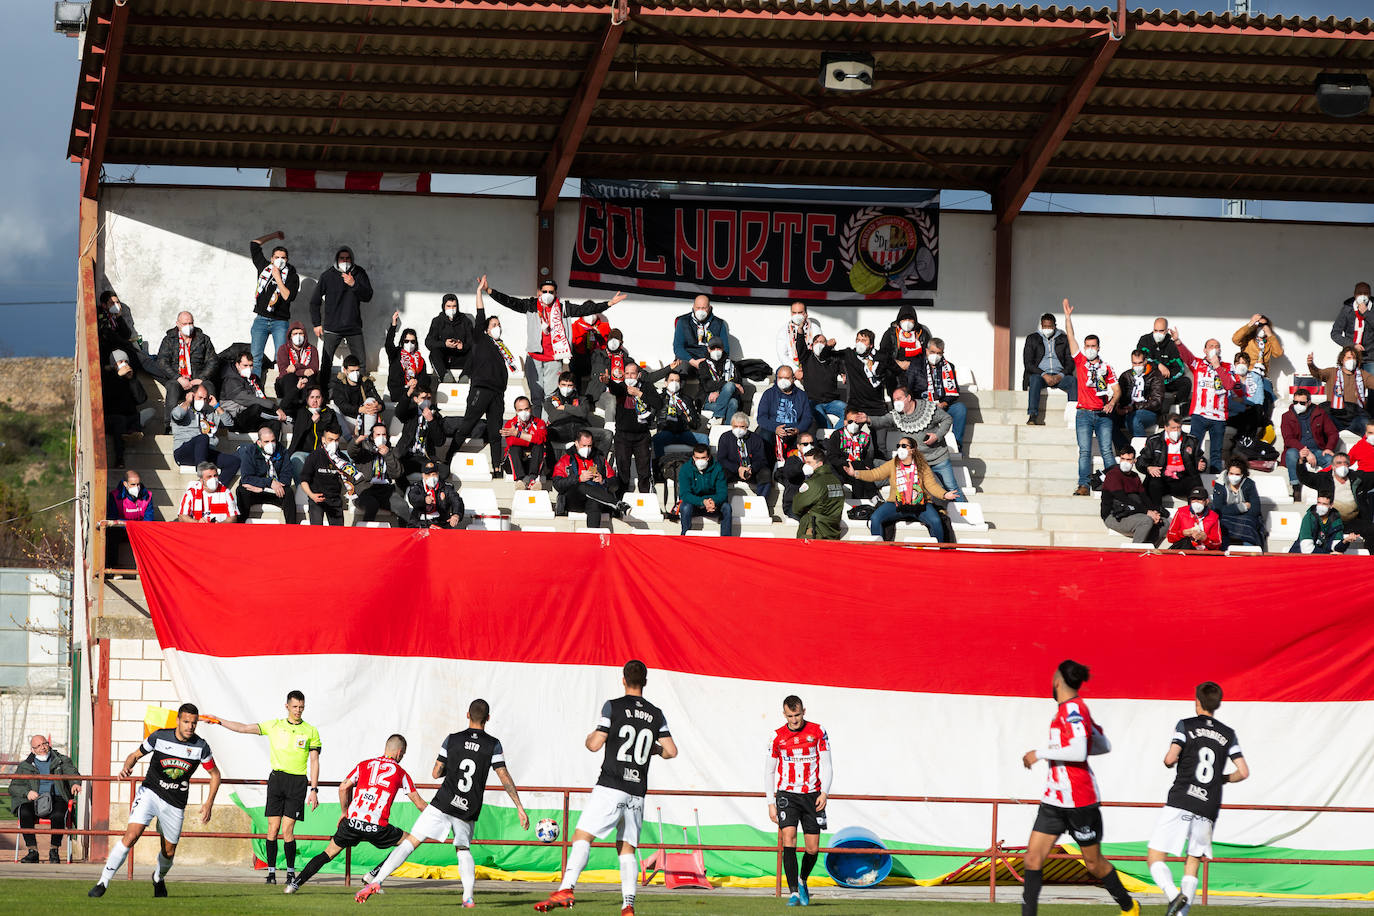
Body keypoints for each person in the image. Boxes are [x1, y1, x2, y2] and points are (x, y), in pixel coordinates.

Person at [533, 660, 677, 914]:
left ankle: (566, 888)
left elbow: (595, 744)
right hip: (637, 793)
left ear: (623, 680)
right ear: (645, 682)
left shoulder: (614, 706)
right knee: (627, 849)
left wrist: (590, 737)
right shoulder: (656, 713)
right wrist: (653, 750)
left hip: (611, 786)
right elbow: (671, 751)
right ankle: (628, 905)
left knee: (582, 836)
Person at [358, 700, 529, 907]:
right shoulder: (493, 744)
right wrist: (519, 807)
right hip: (468, 806)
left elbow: (436, 772)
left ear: (468, 715)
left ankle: (377, 881)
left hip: (444, 802)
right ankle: (468, 897)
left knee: (411, 841)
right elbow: (503, 775)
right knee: (463, 850)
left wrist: (452, 768)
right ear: (488, 718)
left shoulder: (452, 739)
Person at [1019, 661, 1138, 916]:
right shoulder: (1070, 710)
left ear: (1057, 682)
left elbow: (1079, 751)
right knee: (1032, 858)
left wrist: (1039, 753)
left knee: (1094, 864)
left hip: (1080, 801)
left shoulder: (1073, 709)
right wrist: (1084, 736)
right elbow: (1102, 745)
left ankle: (1129, 907)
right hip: (1054, 800)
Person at [89, 703, 220, 899]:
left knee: (169, 851)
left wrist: (209, 802)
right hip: (150, 792)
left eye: (193, 723)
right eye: (186, 722)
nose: (190, 727)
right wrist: (126, 767)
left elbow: (215, 775)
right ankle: (103, 882)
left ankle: (158, 877)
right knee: (131, 836)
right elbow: (135, 755)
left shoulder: (200, 746)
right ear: (178, 720)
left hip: (175, 802)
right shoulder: (159, 736)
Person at [1146, 682, 1250, 916]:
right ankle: (1180, 914)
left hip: (1182, 798)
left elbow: (1170, 758)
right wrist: (1222, 779)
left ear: (1197, 702)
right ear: (1217, 704)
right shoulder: (1228, 733)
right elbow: (1243, 772)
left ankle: (1173, 895)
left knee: (1155, 856)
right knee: (1193, 861)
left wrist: (1170, 760)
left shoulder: (1185, 725)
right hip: (1209, 804)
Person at [286, 734, 427, 895]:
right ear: (400, 752)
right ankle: (373, 875)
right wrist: (442, 816)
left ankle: (294, 885)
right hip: (376, 826)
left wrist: (344, 812)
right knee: (409, 842)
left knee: (327, 853)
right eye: (403, 754)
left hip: (352, 822)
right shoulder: (401, 773)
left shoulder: (364, 764)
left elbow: (343, 787)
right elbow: (420, 804)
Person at [210, 691, 322, 886]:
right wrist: (219, 721)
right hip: (277, 779)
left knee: (288, 830)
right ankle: (271, 873)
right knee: (273, 828)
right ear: (287, 706)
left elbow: (314, 761)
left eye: (301, 707)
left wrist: (314, 789)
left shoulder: (310, 731)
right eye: (295, 707)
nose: (298, 710)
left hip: (297, 782)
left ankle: (290, 873)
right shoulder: (274, 725)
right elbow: (244, 728)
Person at [481, 274, 626, 418]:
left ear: (556, 293)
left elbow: (585, 309)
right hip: (534, 358)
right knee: (536, 397)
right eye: (544, 291)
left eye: (551, 292)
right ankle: (537, 425)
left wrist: (609, 303)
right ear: (539, 292)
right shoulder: (531, 305)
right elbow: (510, 302)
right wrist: (489, 291)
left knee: (550, 397)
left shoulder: (564, 308)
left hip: (554, 359)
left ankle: (545, 427)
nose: (547, 294)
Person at [766, 696, 832, 906]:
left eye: (797, 715)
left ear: (804, 711)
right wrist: (770, 803)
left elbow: (828, 765)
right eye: (790, 716)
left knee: (812, 848)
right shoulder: (777, 736)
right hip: (787, 795)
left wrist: (825, 793)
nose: (794, 720)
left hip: (812, 795)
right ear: (784, 714)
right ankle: (793, 892)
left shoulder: (818, 731)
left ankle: (803, 879)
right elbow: (769, 771)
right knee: (789, 838)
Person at [442, 293, 513, 471]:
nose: (497, 327)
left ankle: (496, 466)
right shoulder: (480, 339)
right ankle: (447, 459)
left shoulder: (501, 347)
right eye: (494, 325)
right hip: (481, 389)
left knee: (495, 431)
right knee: (467, 425)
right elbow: (480, 315)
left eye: (499, 325)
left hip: (497, 393)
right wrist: (480, 292)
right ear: (486, 330)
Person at [844, 436, 959, 541]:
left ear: (912, 450)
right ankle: (879, 549)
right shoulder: (893, 463)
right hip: (896, 504)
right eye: (898, 446)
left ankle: (940, 549)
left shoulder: (922, 466)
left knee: (936, 521)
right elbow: (875, 474)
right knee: (875, 518)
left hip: (920, 504)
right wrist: (855, 473)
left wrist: (944, 494)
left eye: (904, 446)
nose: (900, 448)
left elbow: (931, 485)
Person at [864, 386, 962, 498]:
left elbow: (947, 418)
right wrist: (867, 419)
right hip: (917, 462)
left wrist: (937, 436)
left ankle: (963, 509)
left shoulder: (928, 408)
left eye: (899, 398)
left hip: (938, 458)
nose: (896, 402)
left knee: (952, 488)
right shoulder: (896, 415)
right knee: (919, 492)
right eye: (894, 400)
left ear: (908, 398)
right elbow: (881, 421)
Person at [1063, 300, 1119, 495]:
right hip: (1084, 413)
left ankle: (1115, 485)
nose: (1089, 349)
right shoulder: (1080, 361)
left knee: (1107, 451)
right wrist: (1068, 318)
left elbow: (1117, 390)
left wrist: (1112, 402)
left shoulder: (1107, 367)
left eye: (1093, 346)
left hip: (1103, 414)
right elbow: (1071, 337)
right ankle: (1083, 485)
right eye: (1087, 346)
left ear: (1098, 347)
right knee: (1085, 451)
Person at [1170, 328, 1240, 474]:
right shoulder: (1198, 364)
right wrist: (1177, 341)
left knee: (1216, 452)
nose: (1214, 348)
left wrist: (1217, 366)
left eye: (1217, 346)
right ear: (1205, 350)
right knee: (1193, 449)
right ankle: (1192, 477)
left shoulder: (1228, 367)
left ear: (1220, 350)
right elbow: (1187, 357)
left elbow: (1229, 385)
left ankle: (1215, 481)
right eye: (1211, 346)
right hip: (1199, 415)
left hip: (1218, 417)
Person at [9, 734, 80, 864]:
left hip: (57, 798)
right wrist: (27, 792)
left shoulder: (61, 760)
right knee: (24, 811)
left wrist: (75, 783)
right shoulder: (25, 766)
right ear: (32, 750)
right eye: (38, 746)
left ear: (48, 744)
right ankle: (32, 851)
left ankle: (54, 850)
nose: (42, 747)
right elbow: (13, 787)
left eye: (44, 744)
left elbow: (72, 772)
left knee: (59, 815)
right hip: (35, 800)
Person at [309, 245, 374, 379]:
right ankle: (324, 389)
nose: (345, 261)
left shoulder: (359, 273)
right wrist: (316, 324)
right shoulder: (327, 276)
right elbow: (314, 301)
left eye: (347, 258)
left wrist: (354, 284)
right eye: (342, 258)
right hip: (332, 327)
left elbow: (368, 296)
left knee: (361, 363)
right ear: (336, 259)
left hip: (353, 327)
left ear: (352, 259)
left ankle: (361, 389)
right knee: (326, 362)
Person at [248, 230, 300, 379]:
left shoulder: (292, 275)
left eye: (283, 258)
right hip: (261, 319)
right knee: (255, 358)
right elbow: (254, 244)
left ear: (287, 260)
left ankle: (281, 387)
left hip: (280, 322)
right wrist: (274, 236)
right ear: (271, 258)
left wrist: (278, 278)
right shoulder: (264, 268)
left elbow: (287, 296)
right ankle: (255, 386)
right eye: (277, 257)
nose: (280, 260)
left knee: (281, 359)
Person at [156, 311, 219, 429]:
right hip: (177, 378)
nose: (188, 326)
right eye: (185, 324)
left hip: (198, 378)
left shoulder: (203, 339)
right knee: (172, 387)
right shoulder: (169, 340)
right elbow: (162, 361)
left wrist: (201, 378)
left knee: (208, 386)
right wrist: (178, 378)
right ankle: (169, 425)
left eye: (190, 323)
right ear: (178, 324)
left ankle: (209, 423)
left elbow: (213, 361)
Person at [551, 430, 627, 529]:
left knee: (594, 503)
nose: (587, 449)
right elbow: (557, 484)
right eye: (584, 446)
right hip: (574, 499)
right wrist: (578, 478)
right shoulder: (566, 459)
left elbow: (615, 484)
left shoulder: (599, 459)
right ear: (576, 443)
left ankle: (593, 534)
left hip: (596, 499)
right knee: (581, 485)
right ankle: (616, 503)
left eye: (589, 446)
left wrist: (603, 481)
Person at [1296, 449, 1374, 544]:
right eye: (1339, 463)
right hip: (1330, 521)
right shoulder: (1323, 478)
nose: (1342, 466)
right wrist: (1301, 460)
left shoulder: (1358, 478)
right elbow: (1304, 477)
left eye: (1345, 463)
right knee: (1312, 529)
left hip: (1354, 520)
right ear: (1332, 466)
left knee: (1371, 530)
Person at [608, 361, 663, 495]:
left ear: (638, 375)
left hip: (641, 436)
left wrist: (639, 394)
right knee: (622, 469)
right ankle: (621, 498)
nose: (629, 376)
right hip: (623, 435)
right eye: (627, 373)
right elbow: (614, 389)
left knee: (644, 470)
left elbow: (659, 404)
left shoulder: (647, 386)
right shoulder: (622, 387)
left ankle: (645, 495)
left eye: (632, 373)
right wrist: (607, 382)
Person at [1139, 415, 1207, 512]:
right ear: (1166, 427)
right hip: (1162, 477)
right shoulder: (1154, 440)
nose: (1176, 430)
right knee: (1153, 483)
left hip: (1183, 478)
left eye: (1179, 427)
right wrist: (1149, 468)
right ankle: (1156, 512)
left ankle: (1194, 514)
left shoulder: (1191, 440)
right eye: (1173, 428)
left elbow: (1199, 458)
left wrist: (1201, 464)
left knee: (1196, 484)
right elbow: (1141, 460)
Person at [170, 385, 239, 479]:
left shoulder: (209, 414)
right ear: (192, 396)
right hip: (184, 451)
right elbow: (177, 415)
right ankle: (203, 477)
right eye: (200, 397)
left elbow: (229, 423)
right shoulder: (183, 409)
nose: (202, 401)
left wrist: (216, 406)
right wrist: (188, 401)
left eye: (205, 398)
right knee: (203, 437)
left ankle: (218, 486)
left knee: (234, 461)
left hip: (205, 452)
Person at [1100, 445, 1164, 545]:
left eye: (1129, 459)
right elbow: (1122, 498)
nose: (1125, 462)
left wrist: (1155, 512)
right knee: (1146, 520)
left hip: (1132, 512)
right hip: (1114, 515)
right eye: (1123, 459)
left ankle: (1147, 548)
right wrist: (1147, 512)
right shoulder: (1113, 475)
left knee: (1164, 523)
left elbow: (1144, 497)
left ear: (1134, 461)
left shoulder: (1135, 476)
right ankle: (1134, 550)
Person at [913, 337, 967, 453]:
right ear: (927, 351)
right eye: (932, 352)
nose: (935, 355)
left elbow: (955, 391)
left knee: (960, 408)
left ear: (943, 353)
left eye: (939, 353)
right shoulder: (916, 365)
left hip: (942, 406)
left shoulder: (949, 367)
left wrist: (944, 403)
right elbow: (910, 388)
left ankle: (957, 444)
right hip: (923, 406)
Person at [221, 350, 290, 440]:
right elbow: (248, 399)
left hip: (254, 418)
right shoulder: (231, 380)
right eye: (245, 365)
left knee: (274, 423)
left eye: (251, 365)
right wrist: (274, 407)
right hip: (236, 419)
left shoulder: (254, 379)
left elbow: (261, 397)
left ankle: (272, 447)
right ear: (237, 365)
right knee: (256, 407)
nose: (248, 368)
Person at [1281, 390, 1337, 500]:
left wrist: (1329, 448)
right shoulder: (1287, 416)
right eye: (1295, 402)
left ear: (1309, 402)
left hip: (1318, 449)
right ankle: (1296, 487)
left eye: (1302, 403)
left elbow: (1333, 433)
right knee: (1291, 454)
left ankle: (1326, 489)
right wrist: (1305, 451)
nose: (1298, 405)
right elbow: (1288, 439)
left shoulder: (1320, 413)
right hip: (1297, 450)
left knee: (1330, 459)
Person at [235, 426, 297, 524]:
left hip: (275, 491)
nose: (271, 444)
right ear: (259, 442)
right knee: (242, 491)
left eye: (273, 441)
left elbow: (287, 477)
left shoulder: (282, 451)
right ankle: (240, 525)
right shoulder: (249, 451)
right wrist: (269, 483)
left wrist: (271, 485)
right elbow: (246, 478)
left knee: (288, 492)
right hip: (256, 490)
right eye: (266, 441)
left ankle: (292, 527)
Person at [1306, 347, 1374, 436]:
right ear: (1342, 360)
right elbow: (1318, 373)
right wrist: (1311, 364)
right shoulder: (1332, 372)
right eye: (1349, 358)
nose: (1352, 360)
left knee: (1369, 428)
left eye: (1354, 358)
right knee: (1320, 424)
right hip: (1334, 414)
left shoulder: (1362, 375)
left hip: (1354, 415)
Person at [300, 428, 361, 525]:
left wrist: (346, 475)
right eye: (330, 440)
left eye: (336, 440)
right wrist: (312, 495)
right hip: (317, 498)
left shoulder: (342, 459)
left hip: (334, 499)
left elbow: (350, 481)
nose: (334, 443)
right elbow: (304, 480)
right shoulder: (314, 456)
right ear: (323, 439)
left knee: (338, 532)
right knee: (316, 530)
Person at [1023, 311, 1076, 425]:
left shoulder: (1064, 339)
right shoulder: (1032, 339)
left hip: (1059, 375)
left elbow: (1071, 362)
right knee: (1034, 379)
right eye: (1045, 326)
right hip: (1041, 376)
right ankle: (1032, 415)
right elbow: (1028, 364)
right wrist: (1044, 375)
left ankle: (1073, 416)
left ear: (1054, 326)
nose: (1047, 329)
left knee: (1073, 381)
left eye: (1050, 326)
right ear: (1041, 326)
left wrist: (1060, 375)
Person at [351, 424, 409, 525]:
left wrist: (388, 455)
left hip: (385, 490)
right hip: (365, 489)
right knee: (372, 505)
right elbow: (352, 452)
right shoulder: (364, 449)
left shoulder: (392, 451)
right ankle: (364, 532)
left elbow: (397, 474)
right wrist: (356, 442)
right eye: (378, 434)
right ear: (372, 436)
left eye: (384, 434)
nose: (381, 437)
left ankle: (404, 533)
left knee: (402, 506)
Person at [756, 366, 814, 466]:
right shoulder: (768, 394)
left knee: (807, 439)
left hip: (794, 430)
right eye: (780, 378)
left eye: (786, 378)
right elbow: (761, 417)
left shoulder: (802, 395)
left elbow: (807, 417)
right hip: (773, 430)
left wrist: (798, 429)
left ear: (793, 378)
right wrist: (775, 428)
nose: (783, 381)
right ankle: (767, 466)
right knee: (764, 436)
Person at [545, 371, 612, 453]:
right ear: (559, 385)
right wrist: (575, 410)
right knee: (541, 434)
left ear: (574, 386)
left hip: (580, 429)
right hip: (560, 429)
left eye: (569, 385)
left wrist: (565, 407)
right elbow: (554, 416)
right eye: (563, 384)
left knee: (607, 434)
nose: (566, 388)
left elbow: (583, 413)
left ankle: (599, 459)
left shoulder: (582, 399)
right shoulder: (550, 400)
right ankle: (549, 461)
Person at [1137, 317, 1190, 418]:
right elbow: (1140, 358)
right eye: (1155, 330)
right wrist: (1158, 365)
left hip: (1166, 380)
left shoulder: (1171, 344)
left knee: (1186, 382)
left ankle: (1178, 412)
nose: (1158, 333)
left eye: (1161, 331)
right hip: (1150, 379)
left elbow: (1179, 367)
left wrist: (1166, 378)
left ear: (1166, 331)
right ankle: (1152, 414)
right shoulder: (1145, 340)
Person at [102, 349, 147, 467]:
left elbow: (141, 399)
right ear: (114, 364)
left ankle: (133, 433)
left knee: (137, 415)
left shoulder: (130, 378)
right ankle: (120, 459)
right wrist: (118, 376)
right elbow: (107, 397)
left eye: (126, 361)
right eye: (120, 362)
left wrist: (132, 380)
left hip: (127, 416)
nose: (124, 364)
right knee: (119, 421)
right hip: (111, 417)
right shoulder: (107, 377)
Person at [287, 387, 343, 479]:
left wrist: (319, 422)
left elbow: (337, 431)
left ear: (322, 399)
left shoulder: (329, 412)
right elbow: (285, 405)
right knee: (296, 458)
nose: (315, 400)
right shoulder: (300, 412)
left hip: (323, 452)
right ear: (307, 399)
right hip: (304, 452)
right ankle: (301, 486)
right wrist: (297, 388)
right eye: (312, 397)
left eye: (318, 397)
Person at [1112, 350, 1164, 448]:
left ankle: (1143, 450)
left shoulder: (1155, 376)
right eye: (1134, 363)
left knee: (1134, 418)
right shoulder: (1126, 376)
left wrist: (1135, 407)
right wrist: (1117, 407)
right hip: (1127, 410)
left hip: (1149, 412)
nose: (1137, 366)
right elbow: (1118, 394)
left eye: (1140, 363)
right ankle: (1125, 448)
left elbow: (1157, 402)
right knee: (1106, 420)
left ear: (1145, 361)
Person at [677, 443, 733, 536]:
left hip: (713, 505)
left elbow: (722, 493)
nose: (700, 460)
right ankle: (685, 536)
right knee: (685, 507)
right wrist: (702, 502)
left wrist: (712, 502)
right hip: (694, 505)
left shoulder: (717, 468)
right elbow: (685, 494)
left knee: (726, 507)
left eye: (703, 458)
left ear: (708, 457)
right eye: (697, 458)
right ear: (693, 457)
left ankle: (726, 539)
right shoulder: (685, 469)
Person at [652, 369, 708, 460]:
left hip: (683, 432)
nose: (674, 383)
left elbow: (696, 422)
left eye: (677, 381)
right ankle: (660, 464)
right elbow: (650, 418)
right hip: (666, 432)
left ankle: (699, 464)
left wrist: (690, 422)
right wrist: (660, 424)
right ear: (665, 383)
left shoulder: (687, 399)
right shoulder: (659, 398)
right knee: (657, 438)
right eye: (671, 380)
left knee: (704, 438)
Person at [499, 396, 553, 489]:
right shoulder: (510, 424)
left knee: (539, 446)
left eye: (526, 409)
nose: (524, 412)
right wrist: (531, 438)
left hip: (534, 462)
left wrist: (518, 434)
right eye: (520, 410)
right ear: (516, 411)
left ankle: (533, 480)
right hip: (514, 463)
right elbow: (512, 442)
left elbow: (541, 439)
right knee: (514, 448)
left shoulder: (539, 423)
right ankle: (519, 481)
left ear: (531, 408)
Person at [876, 303, 931, 393]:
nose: (907, 322)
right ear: (899, 320)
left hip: (915, 369)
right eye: (904, 319)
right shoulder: (891, 333)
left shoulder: (922, 334)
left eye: (910, 319)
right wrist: (896, 363)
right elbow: (883, 353)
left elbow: (927, 354)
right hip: (894, 369)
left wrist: (911, 364)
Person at [835, 330, 890, 418]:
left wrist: (874, 368)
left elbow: (888, 372)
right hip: (856, 406)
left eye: (864, 340)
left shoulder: (880, 357)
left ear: (871, 344)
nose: (860, 343)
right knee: (848, 423)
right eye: (858, 340)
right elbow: (830, 357)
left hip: (876, 405)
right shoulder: (850, 354)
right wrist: (842, 371)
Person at [1211, 458, 1263, 549]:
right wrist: (1241, 507)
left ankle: (1249, 551)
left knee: (1249, 524)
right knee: (1221, 525)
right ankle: (1223, 550)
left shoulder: (1249, 484)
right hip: (1225, 518)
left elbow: (1255, 509)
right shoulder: (1220, 485)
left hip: (1245, 519)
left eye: (1237, 474)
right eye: (1231, 473)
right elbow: (1218, 508)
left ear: (1243, 475)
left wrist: (1229, 510)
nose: (1233, 476)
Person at [793, 449, 845, 539]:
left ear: (820, 464)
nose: (806, 465)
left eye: (809, 462)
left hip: (815, 531)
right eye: (805, 462)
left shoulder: (813, 483)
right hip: (833, 530)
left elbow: (796, 507)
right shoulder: (836, 481)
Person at [331, 354, 385, 442]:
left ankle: (366, 439)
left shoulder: (366, 382)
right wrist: (360, 409)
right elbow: (341, 404)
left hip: (364, 420)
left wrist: (378, 406)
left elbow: (379, 401)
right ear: (345, 370)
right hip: (347, 420)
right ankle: (350, 440)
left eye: (357, 370)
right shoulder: (339, 384)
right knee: (334, 408)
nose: (355, 373)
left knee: (371, 401)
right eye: (352, 371)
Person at [827, 409, 878, 501]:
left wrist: (866, 465)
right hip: (842, 467)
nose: (853, 424)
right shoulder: (837, 435)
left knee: (858, 472)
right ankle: (873, 496)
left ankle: (858, 501)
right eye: (850, 421)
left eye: (856, 422)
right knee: (859, 468)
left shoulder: (865, 437)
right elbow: (832, 457)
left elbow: (868, 456)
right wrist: (847, 464)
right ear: (845, 422)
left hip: (858, 469)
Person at [107, 470, 155, 566]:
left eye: (138, 484)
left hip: (140, 529)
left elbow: (149, 518)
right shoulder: (115, 496)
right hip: (122, 529)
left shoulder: (147, 496)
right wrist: (129, 525)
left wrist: (135, 526)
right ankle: (112, 567)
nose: (136, 487)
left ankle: (146, 568)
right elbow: (113, 517)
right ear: (125, 484)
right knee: (111, 534)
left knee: (151, 535)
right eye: (133, 484)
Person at [717, 412, 771, 497]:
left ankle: (761, 501)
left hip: (751, 471)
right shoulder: (725, 437)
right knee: (720, 473)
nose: (738, 429)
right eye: (735, 426)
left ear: (747, 426)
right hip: (733, 470)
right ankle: (721, 500)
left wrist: (751, 469)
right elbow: (721, 459)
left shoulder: (756, 438)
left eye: (742, 426)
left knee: (766, 473)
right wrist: (738, 468)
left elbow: (761, 459)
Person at [385, 313, 434, 405]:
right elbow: (388, 344)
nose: (409, 344)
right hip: (399, 391)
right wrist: (393, 325)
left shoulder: (420, 359)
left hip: (415, 391)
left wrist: (416, 382)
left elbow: (424, 377)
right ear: (402, 341)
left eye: (412, 341)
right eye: (406, 341)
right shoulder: (395, 354)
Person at [425, 293, 476, 382]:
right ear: (444, 306)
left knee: (475, 351)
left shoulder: (465, 321)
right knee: (434, 352)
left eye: (454, 306)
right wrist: (444, 344)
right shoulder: (437, 321)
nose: (451, 309)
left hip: (461, 358)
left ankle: (465, 377)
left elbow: (472, 342)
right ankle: (445, 377)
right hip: (444, 360)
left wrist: (463, 346)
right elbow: (429, 342)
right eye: (448, 306)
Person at [273, 320, 320, 416]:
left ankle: (307, 410)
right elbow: (283, 371)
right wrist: (303, 370)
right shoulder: (283, 349)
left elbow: (313, 369)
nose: (298, 336)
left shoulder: (312, 349)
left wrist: (296, 367)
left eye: (300, 333)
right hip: (286, 384)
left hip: (305, 382)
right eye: (295, 333)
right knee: (290, 377)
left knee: (309, 379)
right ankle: (290, 411)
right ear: (290, 335)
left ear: (305, 335)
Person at [800, 334, 846, 431]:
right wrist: (800, 330)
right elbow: (800, 346)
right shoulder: (807, 357)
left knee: (848, 411)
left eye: (822, 342)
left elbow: (843, 364)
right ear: (812, 345)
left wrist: (843, 373)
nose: (819, 344)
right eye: (816, 342)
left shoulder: (833, 358)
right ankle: (830, 437)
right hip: (814, 402)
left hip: (831, 402)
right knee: (821, 418)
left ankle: (836, 434)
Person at [396, 388, 446, 476]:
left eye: (429, 398)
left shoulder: (436, 416)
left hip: (425, 457)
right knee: (396, 469)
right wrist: (408, 394)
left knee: (444, 471)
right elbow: (399, 412)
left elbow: (439, 442)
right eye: (423, 398)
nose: (426, 401)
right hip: (407, 455)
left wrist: (431, 421)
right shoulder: (410, 412)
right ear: (416, 399)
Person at [672, 295, 730, 370]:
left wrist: (711, 361)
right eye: (698, 308)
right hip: (689, 360)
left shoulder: (719, 323)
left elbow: (725, 349)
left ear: (710, 308)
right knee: (679, 369)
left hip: (711, 360)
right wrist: (692, 361)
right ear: (693, 307)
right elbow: (678, 347)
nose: (701, 311)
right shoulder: (682, 322)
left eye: (704, 308)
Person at [1330, 282, 1374, 374]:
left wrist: (1366, 313)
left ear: (1370, 294)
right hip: (1351, 356)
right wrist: (1352, 345)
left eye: (1365, 293)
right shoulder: (1347, 310)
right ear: (1355, 294)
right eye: (1359, 293)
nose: (1362, 296)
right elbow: (1335, 333)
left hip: (1371, 358)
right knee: (1350, 382)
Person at [1290, 493, 1356, 554]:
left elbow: (1335, 548)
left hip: (1322, 556)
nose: (1321, 506)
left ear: (1331, 505)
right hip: (1299, 555)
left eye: (1324, 504)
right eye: (1319, 503)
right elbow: (1306, 549)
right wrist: (1328, 554)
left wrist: (1345, 541)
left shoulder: (1336, 519)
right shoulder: (1309, 517)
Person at [407, 460, 465, 528]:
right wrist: (424, 499)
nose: (431, 477)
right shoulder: (417, 486)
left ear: (438, 474)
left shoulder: (446, 487)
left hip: (440, 522)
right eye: (428, 475)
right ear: (423, 475)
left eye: (433, 474)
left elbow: (456, 500)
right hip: (419, 522)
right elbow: (412, 497)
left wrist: (456, 514)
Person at [1225, 351, 1267, 442]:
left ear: (1248, 365)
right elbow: (1227, 400)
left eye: (1243, 363)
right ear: (1234, 364)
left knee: (1256, 410)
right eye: (1238, 363)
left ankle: (1247, 441)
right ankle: (1243, 441)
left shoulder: (1256, 377)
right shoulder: (1228, 377)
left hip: (1252, 412)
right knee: (1245, 415)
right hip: (1234, 412)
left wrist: (1242, 401)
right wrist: (1242, 406)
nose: (1241, 365)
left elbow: (1259, 399)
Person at [588, 328, 640, 401]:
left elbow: (641, 374)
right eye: (611, 338)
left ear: (621, 342)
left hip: (618, 397)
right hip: (597, 397)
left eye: (616, 339)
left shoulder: (627, 360)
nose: (613, 341)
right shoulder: (597, 355)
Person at [1165, 487, 1222, 551]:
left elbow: (1218, 544)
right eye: (1193, 499)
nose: (1196, 502)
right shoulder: (1181, 512)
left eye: (1199, 499)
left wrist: (1205, 539)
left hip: (1204, 553)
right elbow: (1170, 537)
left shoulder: (1213, 517)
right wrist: (1182, 533)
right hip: (1185, 550)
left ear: (1206, 501)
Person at [698, 339, 741, 422]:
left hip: (727, 399)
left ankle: (719, 420)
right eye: (713, 348)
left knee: (733, 402)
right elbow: (707, 385)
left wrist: (719, 392)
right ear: (708, 349)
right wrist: (725, 386)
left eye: (718, 348)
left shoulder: (732, 365)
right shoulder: (703, 365)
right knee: (730, 385)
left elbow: (739, 387)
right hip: (709, 400)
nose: (716, 351)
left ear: (723, 349)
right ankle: (718, 417)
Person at [776, 300, 824, 376]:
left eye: (800, 312)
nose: (797, 315)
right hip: (792, 370)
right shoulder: (783, 330)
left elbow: (818, 350)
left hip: (812, 367)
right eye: (794, 313)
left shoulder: (814, 328)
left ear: (806, 313)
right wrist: (795, 370)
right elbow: (782, 355)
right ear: (791, 313)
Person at [1232, 312, 1283, 379]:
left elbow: (1278, 353)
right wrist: (1250, 323)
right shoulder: (1248, 338)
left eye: (1265, 325)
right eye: (1259, 325)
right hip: (1248, 375)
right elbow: (1235, 339)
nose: (1262, 327)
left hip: (1263, 376)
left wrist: (1270, 335)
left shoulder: (1269, 341)